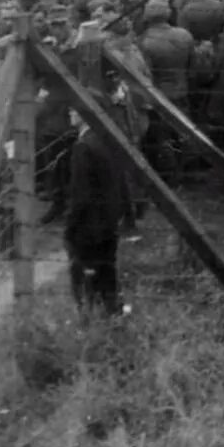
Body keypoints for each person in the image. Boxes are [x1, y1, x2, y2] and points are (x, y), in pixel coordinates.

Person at [63, 95, 127, 316]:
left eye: (74, 110)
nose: (70, 113)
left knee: (85, 277)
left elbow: (80, 193)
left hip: (88, 226)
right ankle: (112, 314)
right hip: (108, 221)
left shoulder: (82, 147)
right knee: (107, 274)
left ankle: (87, 318)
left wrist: (70, 225)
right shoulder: (108, 140)